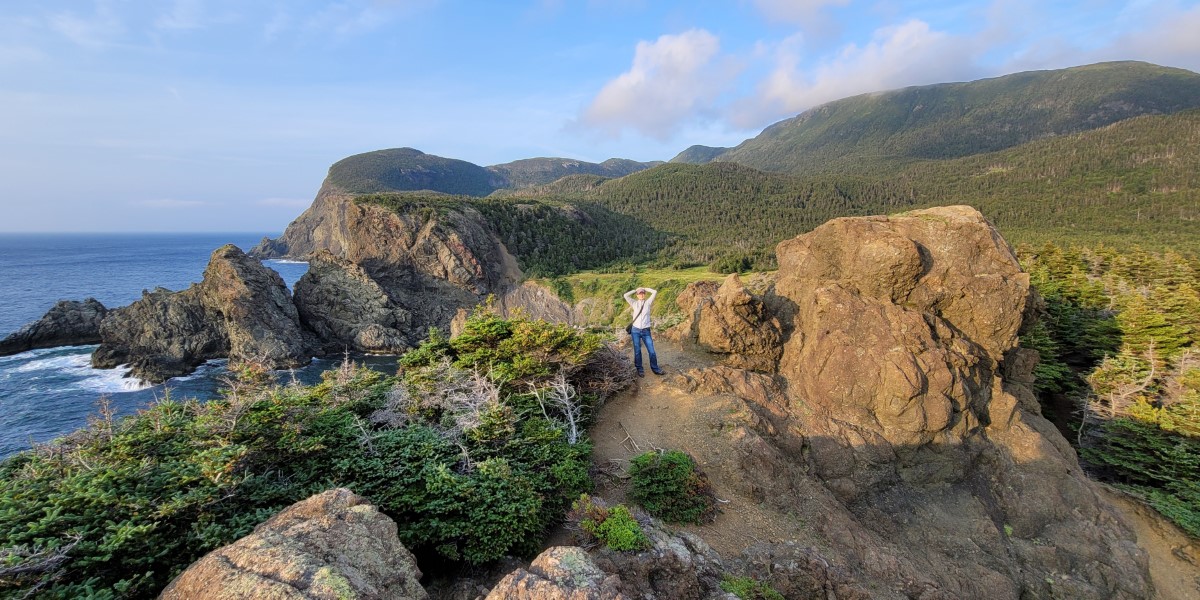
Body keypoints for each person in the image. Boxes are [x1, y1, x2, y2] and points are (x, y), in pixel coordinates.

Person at [623, 287, 664, 377]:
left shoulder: (648, 303)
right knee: (637, 351)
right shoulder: (634, 303)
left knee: (652, 351)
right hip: (635, 330)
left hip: (646, 331)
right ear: (637, 295)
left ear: (645, 294)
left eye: (643, 293)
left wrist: (645, 288)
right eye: (639, 293)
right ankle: (639, 369)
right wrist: (635, 290)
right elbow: (625, 295)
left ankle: (655, 368)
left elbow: (655, 291)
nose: (641, 294)